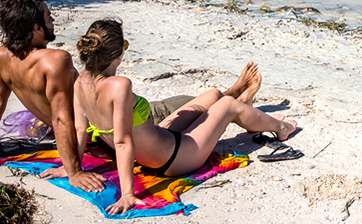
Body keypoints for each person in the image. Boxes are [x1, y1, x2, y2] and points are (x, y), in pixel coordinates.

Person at [68, 18, 297, 215]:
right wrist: (128, 194)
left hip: (159, 142)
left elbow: (79, 129)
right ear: (118, 54)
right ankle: (281, 128)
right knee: (227, 105)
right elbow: (122, 141)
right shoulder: (119, 85)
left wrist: (73, 168)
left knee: (213, 95)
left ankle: (244, 105)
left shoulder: (81, 82)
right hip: (176, 158)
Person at [0, 0, 105, 192]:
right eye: (48, 17)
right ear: (37, 28)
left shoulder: (3, 56)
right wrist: (73, 172)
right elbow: (61, 118)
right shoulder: (56, 60)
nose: (53, 19)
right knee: (180, 105)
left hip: (87, 130)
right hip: (102, 129)